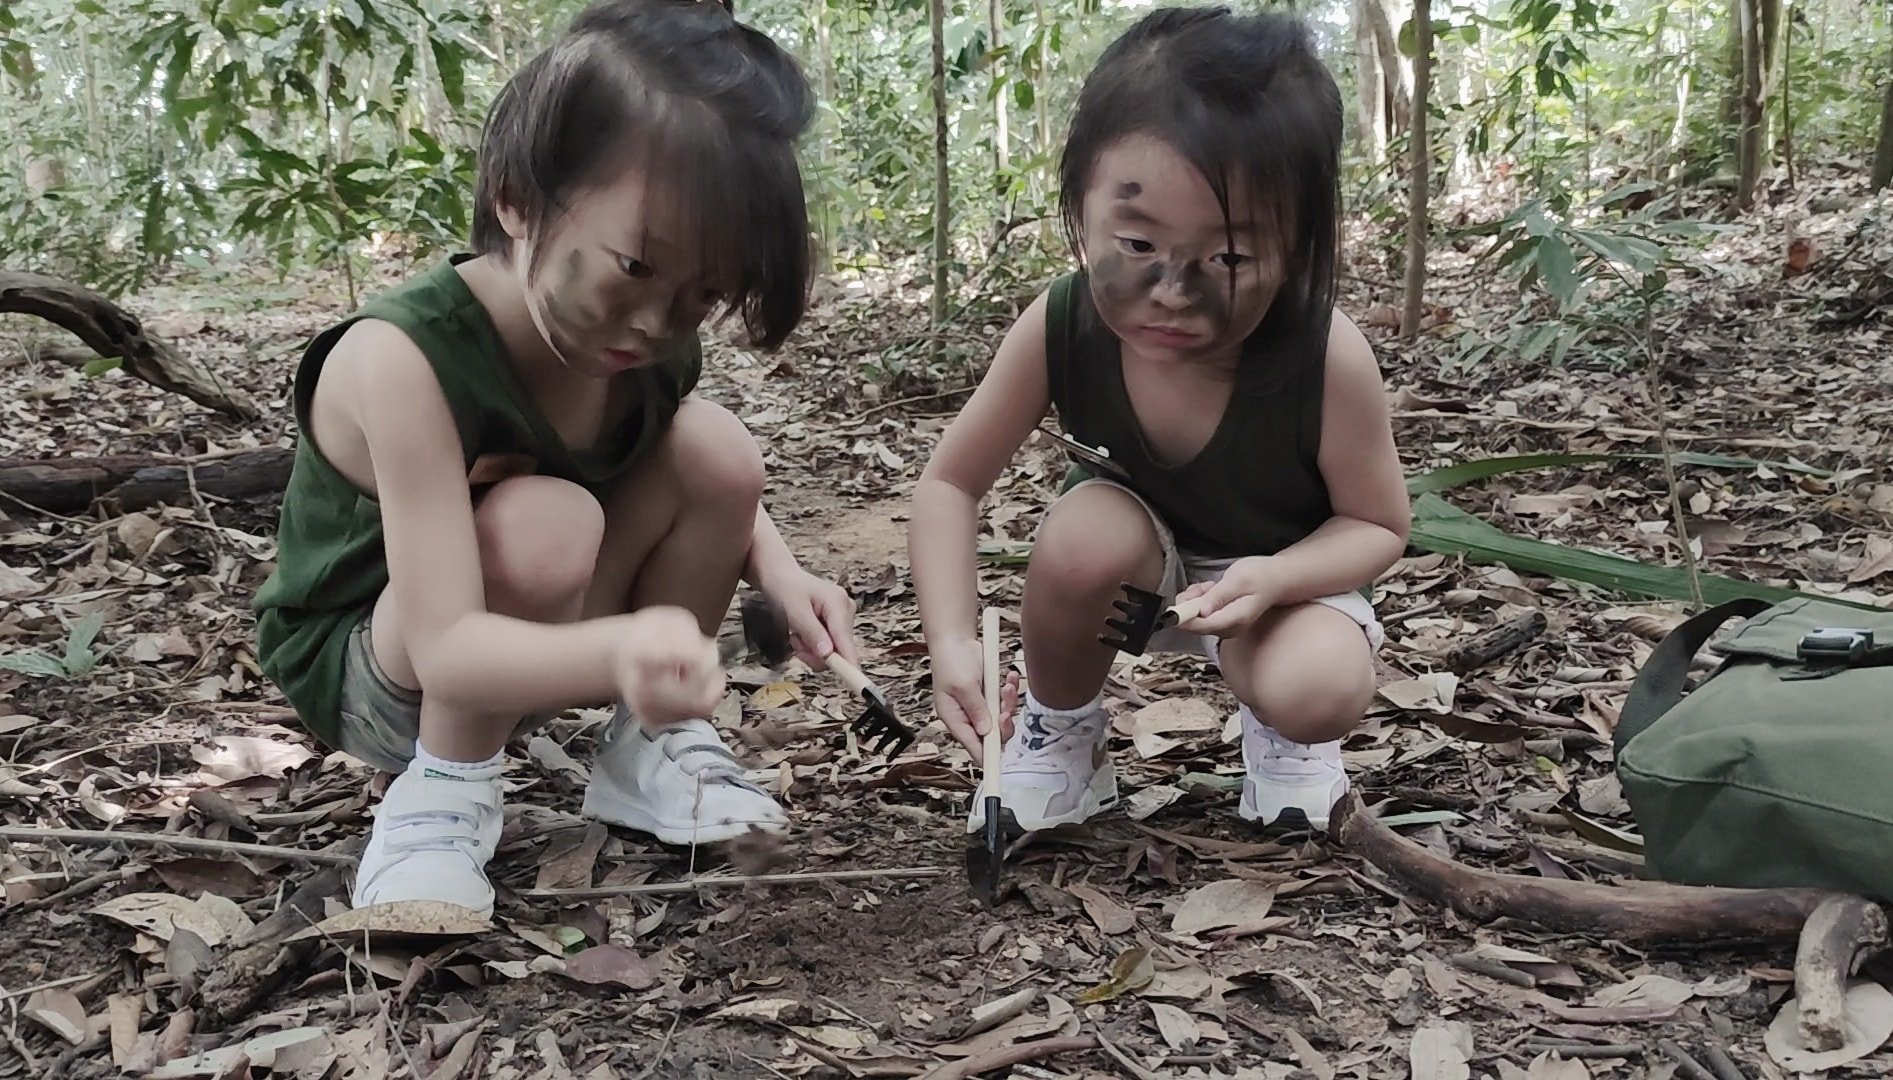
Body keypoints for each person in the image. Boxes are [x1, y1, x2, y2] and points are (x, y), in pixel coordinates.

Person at [252, 0, 857, 917]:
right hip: (386, 673)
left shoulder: (636, 345)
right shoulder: (402, 359)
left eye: (702, 295)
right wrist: (625, 648)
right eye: (636, 268)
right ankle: (444, 791)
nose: (658, 323)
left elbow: (695, 470)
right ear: (518, 198)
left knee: (719, 447)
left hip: (534, 634)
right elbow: (449, 648)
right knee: (544, 522)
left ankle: (652, 749)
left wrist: (780, 569)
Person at [907, 6, 1410, 837]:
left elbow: (1376, 523)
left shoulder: (1325, 353)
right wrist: (952, 642)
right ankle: (1061, 737)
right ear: (1079, 209)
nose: (1173, 291)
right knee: (1082, 535)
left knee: (1317, 687)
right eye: (1136, 244)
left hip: (1280, 587)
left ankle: (1284, 742)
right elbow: (950, 483)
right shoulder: (1062, 324)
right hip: (1128, 573)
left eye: (1229, 258)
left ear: (1298, 248)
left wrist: (1275, 581)